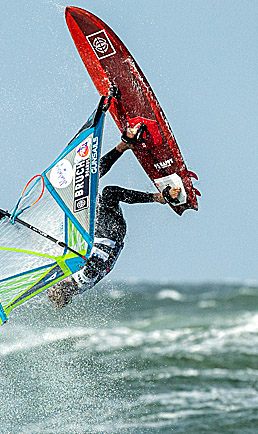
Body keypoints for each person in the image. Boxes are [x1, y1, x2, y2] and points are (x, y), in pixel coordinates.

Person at [47, 121, 179, 308]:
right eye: (59, 287)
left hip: (96, 231)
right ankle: (160, 197)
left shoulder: (67, 277)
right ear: (67, 291)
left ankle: (125, 145)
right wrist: (86, 259)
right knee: (109, 193)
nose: (58, 283)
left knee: (87, 184)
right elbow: (93, 267)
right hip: (111, 235)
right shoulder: (83, 280)